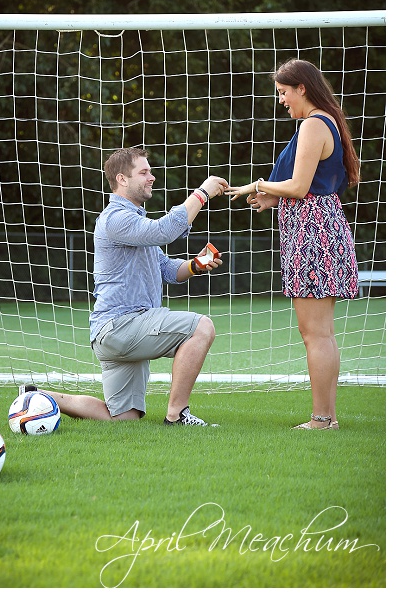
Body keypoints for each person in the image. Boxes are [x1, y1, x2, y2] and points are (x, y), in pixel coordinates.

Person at [23, 147, 228, 425]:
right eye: (143, 172)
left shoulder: (134, 222)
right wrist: (202, 193)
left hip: (116, 333)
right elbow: (163, 232)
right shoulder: (116, 219)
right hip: (120, 327)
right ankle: (177, 416)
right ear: (122, 179)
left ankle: (37, 396)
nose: (152, 177)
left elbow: (167, 270)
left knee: (122, 417)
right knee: (202, 327)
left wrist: (195, 265)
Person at [225, 58, 359, 430]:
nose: (282, 100)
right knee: (322, 332)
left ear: (302, 88)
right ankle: (328, 417)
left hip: (313, 231)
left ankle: (321, 419)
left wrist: (259, 186)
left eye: (284, 93)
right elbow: (306, 186)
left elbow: (300, 187)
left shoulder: (315, 124)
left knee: (314, 332)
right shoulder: (321, 121)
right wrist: (273, 198)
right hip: (318, 225)